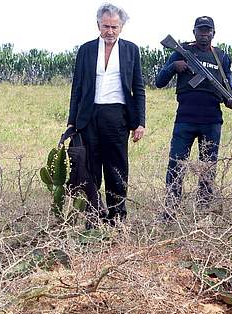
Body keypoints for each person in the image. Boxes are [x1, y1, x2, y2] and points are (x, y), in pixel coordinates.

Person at [67, 3, 146, 226]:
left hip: (117, 116)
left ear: (121, 27)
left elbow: (138, 87)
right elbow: (77, 88)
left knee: (116, 168)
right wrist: (72, 122)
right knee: (90, 168)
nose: (109, 31)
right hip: (89, 116)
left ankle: (117, 218)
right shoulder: (86, 50)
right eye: (105, 26)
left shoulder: (131, 50)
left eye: (114, 27)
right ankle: (93, 216)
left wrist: (140, 122)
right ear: (98, 25)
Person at [155, 16, 232, 219]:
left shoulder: (222, 57)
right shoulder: (181, 51)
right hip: (185, 120)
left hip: (211, 121)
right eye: (200, 30)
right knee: (176, 165)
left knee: (207, 168)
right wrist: (174, 67)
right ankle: (170, 211)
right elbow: (159, 81)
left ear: (214, 33)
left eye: (208, 30)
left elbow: (229, 89)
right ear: (194, 32)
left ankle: (203, 211)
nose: (204, 34)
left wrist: (230, 100)